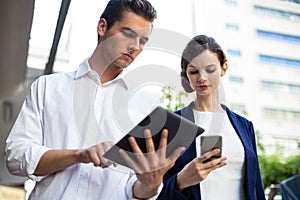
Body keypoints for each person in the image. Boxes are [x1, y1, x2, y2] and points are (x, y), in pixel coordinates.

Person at [5, 0, 184, 199]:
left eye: (143, 41)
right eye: (128, 33)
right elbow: (16, 157)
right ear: (102, 27)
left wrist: (150, 186)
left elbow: (135, 190)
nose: (135, 46)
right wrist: (79, 155)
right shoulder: (48, 87)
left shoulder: (147, 106)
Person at [157, 35, 266, 200]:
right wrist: (181, 181)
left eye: (210, 69)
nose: (202, 78)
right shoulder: (172, 125)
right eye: (194, 71)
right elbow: (154, 192)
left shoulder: (245, 126)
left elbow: (256, 187)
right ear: (186, 75)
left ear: (224, 68)